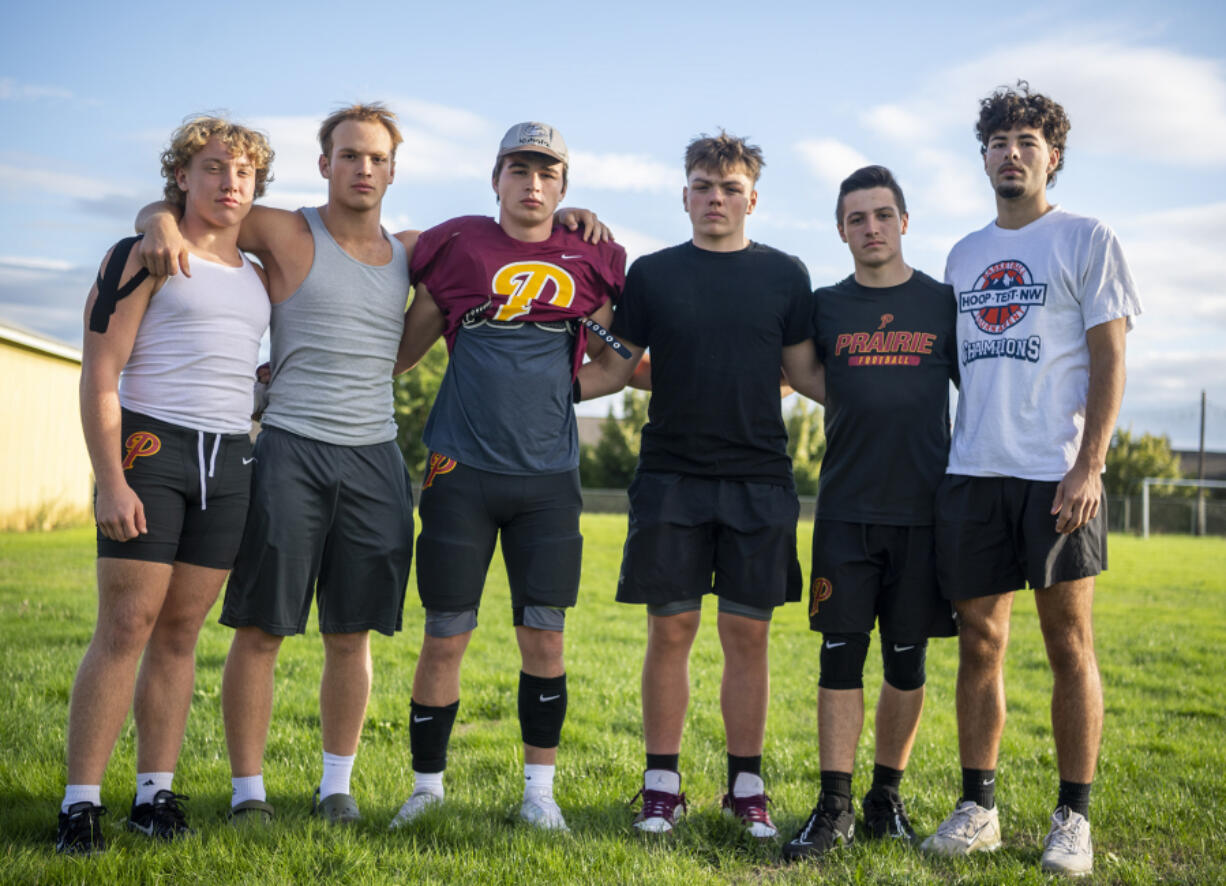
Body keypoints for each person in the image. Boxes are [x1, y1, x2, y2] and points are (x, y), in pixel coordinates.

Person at [136, 106, 608, 826]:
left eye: (377, 158)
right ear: (324, 163)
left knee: (350, 631)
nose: (363, 168)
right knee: (262, 628)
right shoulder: (286, 228)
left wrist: (569, 213)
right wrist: (158, 221)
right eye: (349, 155)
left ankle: (337, 788)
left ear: (393, 170)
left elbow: (516, 246)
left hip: (376, 455)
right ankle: (248, 793)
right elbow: (201, 206)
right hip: (290, 443)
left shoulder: (417, 249)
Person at [575, 131, 823, 840]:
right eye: (703, 187)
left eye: (730, 188)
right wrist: (542, 390)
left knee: (747, 635)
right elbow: (617, 363)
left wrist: (897, 396)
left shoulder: (786, 275)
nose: (716, 199)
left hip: (758, 478)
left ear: (753, 197)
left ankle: (746, 785)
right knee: (671, 630)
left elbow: (806, 375)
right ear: (684, 195)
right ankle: (662, 785)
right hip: (672, 477)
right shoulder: (653, 274)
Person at [920, 81, 1141, 877]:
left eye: (1027, 142)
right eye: (998, 142)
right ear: (982, 157)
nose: (1011, 155)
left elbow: (1112, 357)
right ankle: (979, 806)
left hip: (1057, 475)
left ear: (1053, 157)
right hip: (974, 471)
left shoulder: (1087, 238)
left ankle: (1072, 818)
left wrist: (1092, 465)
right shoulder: (963, 255)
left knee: (1068, 643)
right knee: (980, 642)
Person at [387, 122, 630, 833]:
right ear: (495, 179)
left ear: (563, 186)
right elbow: (404, 348)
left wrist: (554, 394)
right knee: (445, 633)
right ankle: (426, 788)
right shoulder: (458, 244)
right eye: (519, 171)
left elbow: (615, 363)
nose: (532, 185)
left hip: (547, 479)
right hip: (459, 469)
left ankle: (539, 794)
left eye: (547, 174)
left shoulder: (592, 257)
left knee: (545, 638)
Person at [58, 117, 273, 854]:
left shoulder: (257, 272)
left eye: (243, 173)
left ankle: (155, 795)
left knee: (180, 634)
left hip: (230, 460)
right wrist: (110, 479)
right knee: (125, 626)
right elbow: (100, 373)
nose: (230, 184)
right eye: (214, 168)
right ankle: (79, 804)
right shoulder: (143, 251)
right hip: (153, 448)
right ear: (182, 176)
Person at [780, 166, 958, 860]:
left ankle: (886, 798)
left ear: (905, 221)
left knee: (907, 664)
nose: (872, 228)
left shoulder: (943, 303)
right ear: (841, 231)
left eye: (883, 214)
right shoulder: (825, 306)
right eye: (857, 219)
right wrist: (861, 399)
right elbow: (802, 375)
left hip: (924, 513)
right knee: (839, 659)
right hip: (847, 511)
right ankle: (834, 807)